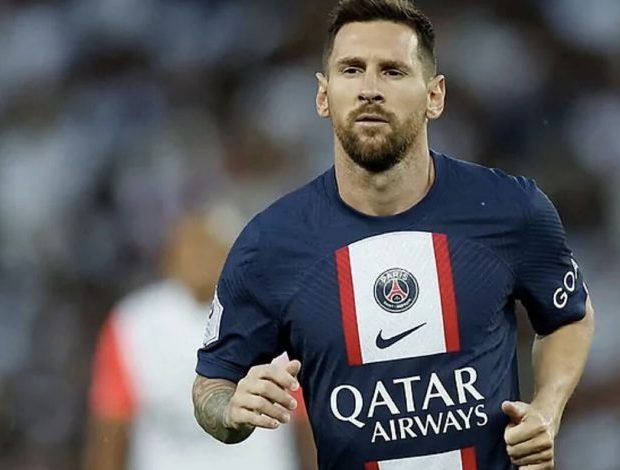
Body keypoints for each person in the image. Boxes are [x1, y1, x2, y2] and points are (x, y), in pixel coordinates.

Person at [192, 1, 595, 469]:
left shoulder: (509, 209)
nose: (369, 89)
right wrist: (232, 410)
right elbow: (211, 385)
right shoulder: (271, 245)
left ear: (434, 96)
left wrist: (547, 409)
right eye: (351, 70)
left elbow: (569, 317)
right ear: (323, 96)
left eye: (393, 71)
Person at [84, 210, 314, 470]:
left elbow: (308, 422)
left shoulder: (278, 314)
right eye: (190, 248)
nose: (199, 258)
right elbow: (110, 426)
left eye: (209, 247)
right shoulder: (133, 323)